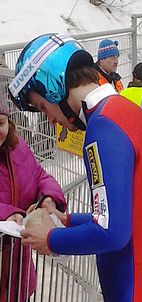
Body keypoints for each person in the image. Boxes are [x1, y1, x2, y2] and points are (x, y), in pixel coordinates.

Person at [9, 33, 142, 301]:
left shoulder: (103, 127)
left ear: (55, 88)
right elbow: (125, 214)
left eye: (42, 106)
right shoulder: (122, 111)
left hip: (136, 288)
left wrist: (51, 239)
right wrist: (64, 220)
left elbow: (111, 233)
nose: (50, 118)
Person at [0, 84, 66, 302]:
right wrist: (8, 213)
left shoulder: (18, 148)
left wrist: (49, 197)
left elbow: (39, 175)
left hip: (18, 263)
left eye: (0, 123)